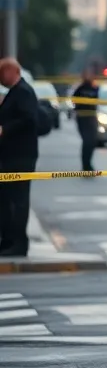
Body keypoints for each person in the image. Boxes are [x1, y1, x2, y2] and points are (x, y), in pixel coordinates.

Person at [0, 58, 41, 256]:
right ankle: (8, 240)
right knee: (7, 199)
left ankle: (18, 243)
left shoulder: (23, 92)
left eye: (2, 73)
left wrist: (4, 130)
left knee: (18, 200)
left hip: (20, 156)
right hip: (11, 156)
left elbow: (28, 120)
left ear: (12, 72)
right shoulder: (15, 93)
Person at [72, 69, 100, 172]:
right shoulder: (80, 89)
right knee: (86, 141)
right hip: (82, 118)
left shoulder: (95, 88)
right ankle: (85, 165)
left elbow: (98, 100)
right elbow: (74, 100)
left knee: (92, 141)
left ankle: (88, 163)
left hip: (91, 117)